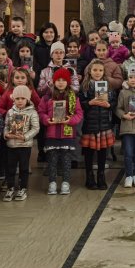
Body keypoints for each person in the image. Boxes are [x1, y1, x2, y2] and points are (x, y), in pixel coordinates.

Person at [38, 67, 84, 196]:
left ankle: (65, 182)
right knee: (52, 160)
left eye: (64, 80)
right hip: (52, 134)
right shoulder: (47, 97)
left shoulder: (73, 97)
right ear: (54, 81)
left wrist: (71, 120)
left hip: (67, 134)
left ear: (68, 82)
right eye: (58, 80)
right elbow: (41, 112)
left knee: (66, 160)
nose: (61, 82)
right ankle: (52, 182)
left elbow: (79, 113)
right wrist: (47, 120)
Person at [79, 59, 117, 190]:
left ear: (104, 72)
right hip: (90, 124)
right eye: (95, 70)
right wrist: (89, 103)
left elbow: (114, 102)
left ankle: (101, 176)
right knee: (89, 152)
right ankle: (89, 176)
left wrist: (109, 105)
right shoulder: (85, 86)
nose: (97, 72)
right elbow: (80, 104)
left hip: (104, 124)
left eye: (100, 70)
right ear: (90, 71)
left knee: (102, 152)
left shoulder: (108, 86)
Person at [3, 85, 40, 201]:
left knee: (24, 168)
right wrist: (6, 134)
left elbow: (36, 128)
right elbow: (6, 126)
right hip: (11, 145)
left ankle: (23, 188)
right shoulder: (10, 112)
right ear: (13, 99)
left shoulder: (32, 112)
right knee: (10, 168)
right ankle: (10, 188)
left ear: (27, 99)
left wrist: (25, 137)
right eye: (17, 98)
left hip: (25, 145)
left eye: (23, 98)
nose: (20, 101)